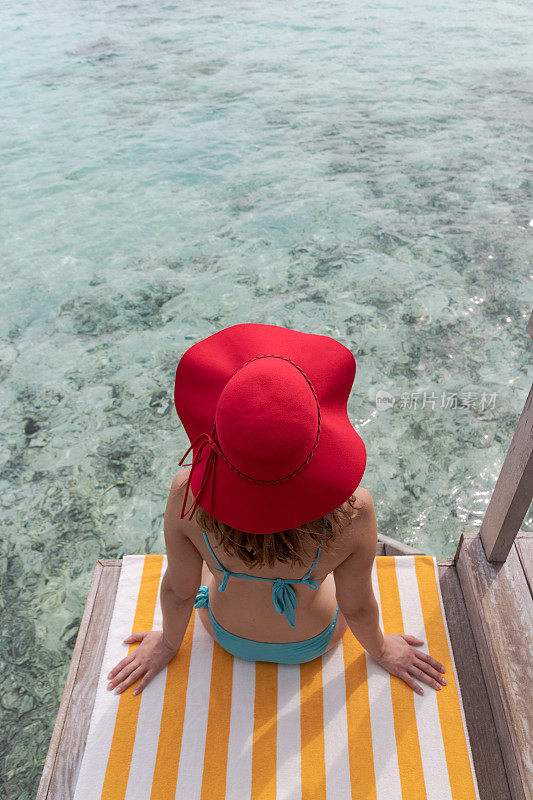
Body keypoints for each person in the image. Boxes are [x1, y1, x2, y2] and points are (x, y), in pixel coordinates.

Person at [107, 323, 446, 697]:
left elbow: (178, 592)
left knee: (209, 558)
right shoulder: (355, 511)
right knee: (324, 570)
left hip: (226, 634)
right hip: (313, 640)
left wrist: (169, 643)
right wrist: (382, 650)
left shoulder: (187, 494)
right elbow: (359, 607)